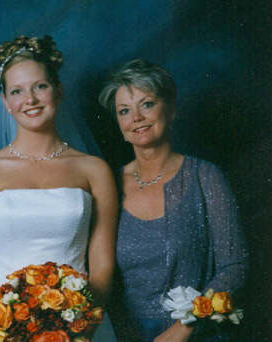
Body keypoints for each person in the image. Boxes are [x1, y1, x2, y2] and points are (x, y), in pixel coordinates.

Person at [0, 35, 119, 341]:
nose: (29, 100)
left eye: (39, 86)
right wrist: (11, 329)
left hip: (79, 325)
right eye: (17, 91)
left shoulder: (94, 170)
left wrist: (77, 330)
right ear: (5, 102)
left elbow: (103, 267)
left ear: (58, 90)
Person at [99, 59, 248, 341]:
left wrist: (184, 327)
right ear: (119, 123)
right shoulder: (110, 184)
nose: (136, 118)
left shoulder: (204, 176)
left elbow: (235, 266)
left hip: (197, 332)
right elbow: (107, 280)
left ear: (171, 109)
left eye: (147, 104)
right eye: (124, 111)